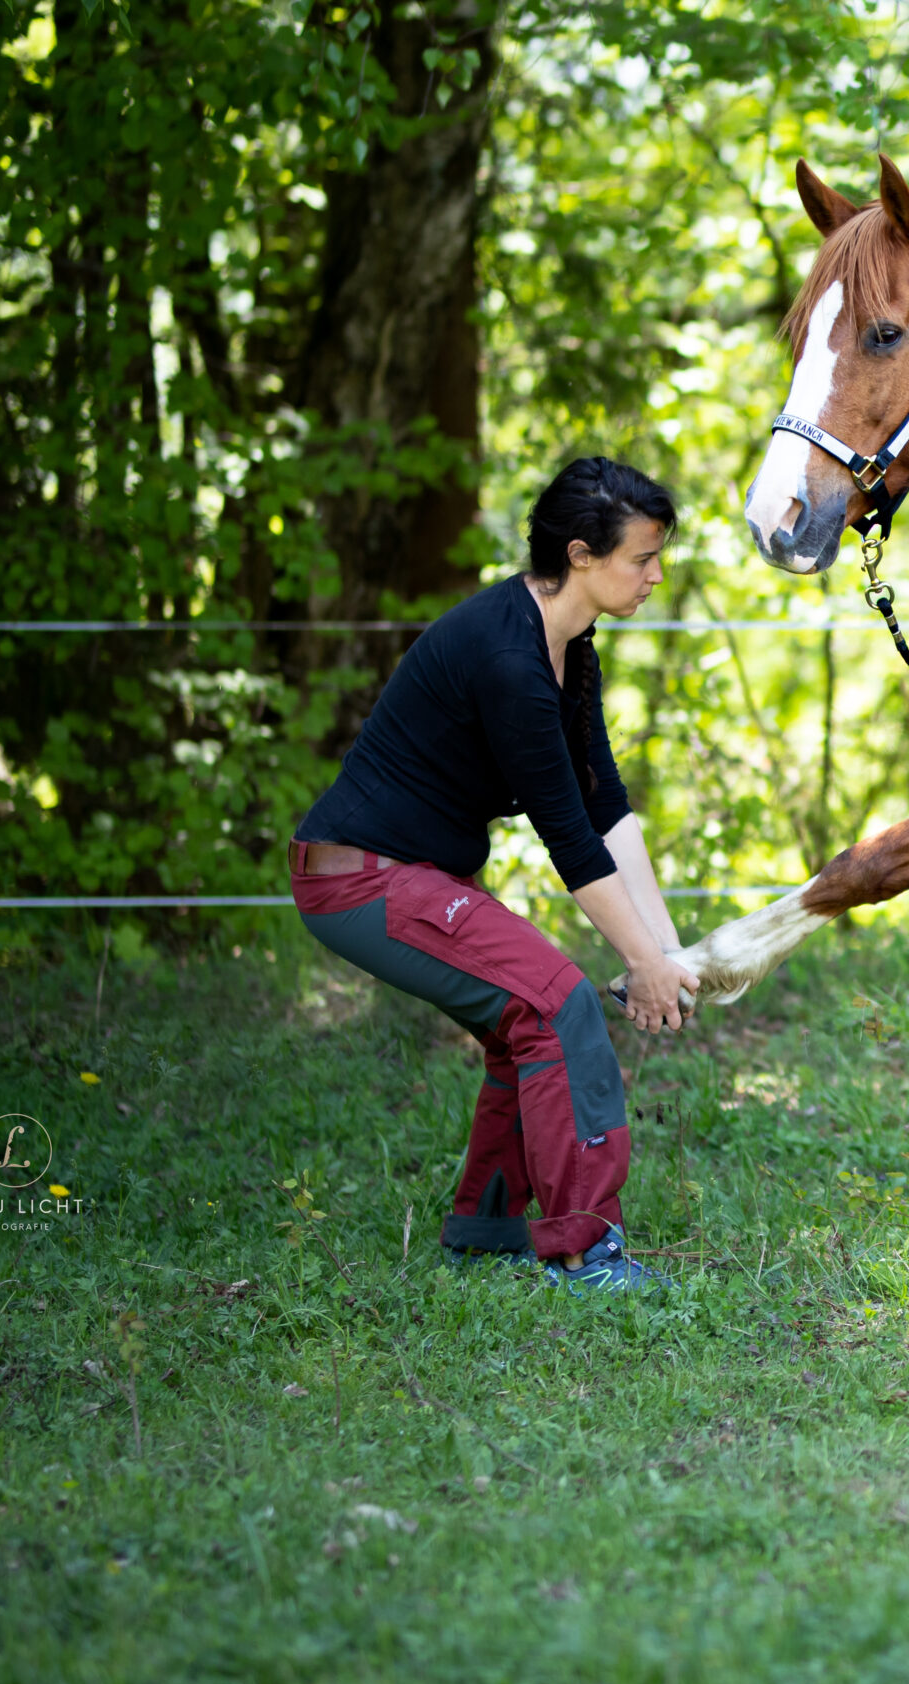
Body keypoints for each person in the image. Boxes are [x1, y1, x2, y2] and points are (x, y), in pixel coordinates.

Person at [288, 457, 700, 1291]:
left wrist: (667, 950)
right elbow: (569, 843)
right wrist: (641, 965)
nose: (656, 575)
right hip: (363, 878)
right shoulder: (510, 658)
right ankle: (585, 1254)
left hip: (417, 873)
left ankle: (485, 1231)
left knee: (526, 1024)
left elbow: (604, 806)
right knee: (556, 1002)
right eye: (641, 558)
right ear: (581, 555)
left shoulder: (567, 644)